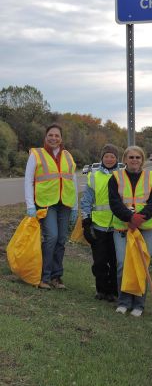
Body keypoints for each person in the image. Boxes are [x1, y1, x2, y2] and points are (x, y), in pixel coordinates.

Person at [108, 145, 152, 317]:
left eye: (138, 157)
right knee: (123, 263)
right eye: (131, 157)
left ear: (142, 160)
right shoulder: (115, 177)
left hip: (146, 228)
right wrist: (129, 218)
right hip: (123, 227)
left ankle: (138, 304)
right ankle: (123, 301)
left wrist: (140, 217)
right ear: (125, 160)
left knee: (141, 264)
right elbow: (114, 203)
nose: (134, 160)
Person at [24, 123, 78, 289]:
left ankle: (56, 277)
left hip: (65, 204)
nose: (54, 138)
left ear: (61, 138)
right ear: (45, 137)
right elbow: (28, 180)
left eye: (57, 136)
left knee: (61, 240)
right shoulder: (36, 154)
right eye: (51, 135)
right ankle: (44, 277)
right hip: (46, 204)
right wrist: (30, 205)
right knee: (51, 237)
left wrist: (75, 206)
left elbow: (72, 180)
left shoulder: (68, 155)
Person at [80, 144, 119, 301]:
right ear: (102, 158)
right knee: (100, 261)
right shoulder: (93, 176)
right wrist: (86, 221)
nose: (109, 159)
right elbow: (86, 201)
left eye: (112, 156)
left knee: (115, 261)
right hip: (98, 226)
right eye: (106, 156)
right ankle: (101, 289)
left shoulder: (122, 176)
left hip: (117, 227)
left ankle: (113, 291)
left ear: (117, 159)